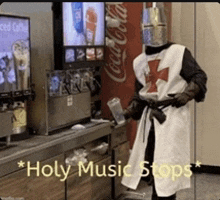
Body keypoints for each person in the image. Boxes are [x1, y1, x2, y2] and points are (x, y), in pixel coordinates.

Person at [121, 6, 207, 200]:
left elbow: (199, 77)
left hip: (171, 118)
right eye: (148, 27)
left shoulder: (179, 52)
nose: (152, 31)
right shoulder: (139, 61)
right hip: (149, 121)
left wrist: (186, 94)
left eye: (156, 26)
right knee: (151, 166)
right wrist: (128, 112)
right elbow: (140, 94)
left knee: (167, 169)